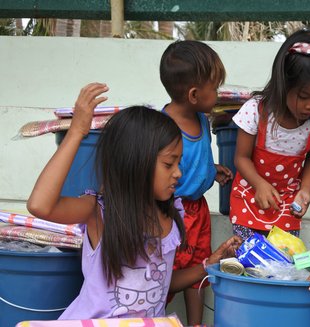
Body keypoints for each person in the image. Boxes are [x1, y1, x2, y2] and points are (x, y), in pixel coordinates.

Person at [27, 83, 242, 320]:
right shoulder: (99, 212)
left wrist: (207, 265)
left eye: (178, 163)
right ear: (135, 164)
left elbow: (161, 287)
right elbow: (40, 205)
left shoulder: (171, 215)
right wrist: (77, 132)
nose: (178, 173)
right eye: (169, 164)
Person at [229, 29, 310, 240]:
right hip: (249, 197)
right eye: (303, 96)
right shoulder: (256, 110)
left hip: (287, 204)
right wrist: (260, 184)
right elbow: (241, 157)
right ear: (283, 82)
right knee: (247, 257)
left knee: (285, 260)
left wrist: (306, 190)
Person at [159, 40, 234, 325]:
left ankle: (196, 324)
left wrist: (209, 169)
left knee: (199, 266)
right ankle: (149, 315)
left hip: (198, 210)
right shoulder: (164, 126)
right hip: (172, 211)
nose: (218, 93)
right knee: (167, 269)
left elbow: (192, 157)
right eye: (214, 88)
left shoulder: (202, 118)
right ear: (193, 94)